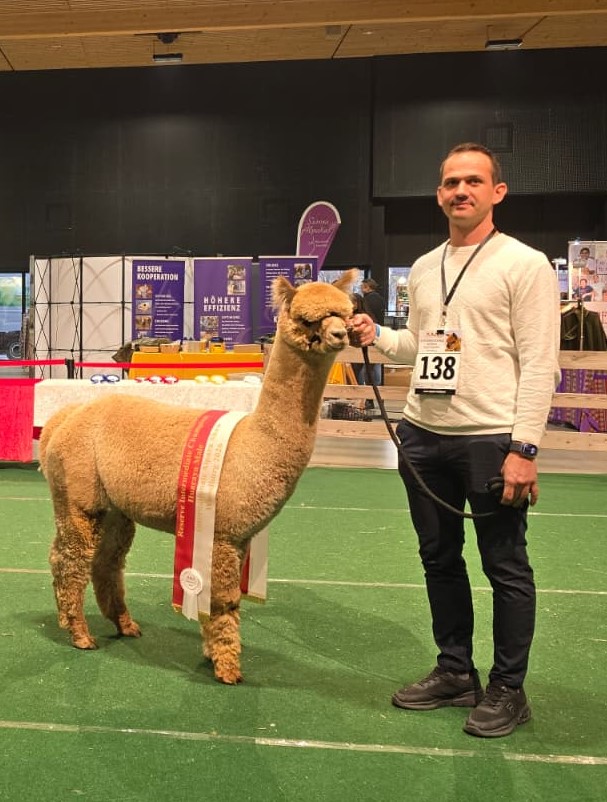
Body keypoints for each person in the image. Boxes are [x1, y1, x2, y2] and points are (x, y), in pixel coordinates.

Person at [349, 142, 560, 738]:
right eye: (449, 183)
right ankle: (455, 671)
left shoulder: (526, 264)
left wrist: (525, 449)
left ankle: (508, 689)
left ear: (497, 192)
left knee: (504, 565)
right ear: (439, 194)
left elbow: (540, 364)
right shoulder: (422, 267)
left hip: (491, 441)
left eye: (473, 181)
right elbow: (421, 345)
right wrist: (380, 336)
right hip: (422, 436)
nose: (459, 191)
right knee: (438, 559)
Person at [359, 278, 385, 386]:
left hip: (369, 330)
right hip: (380, 331)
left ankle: (367, 390)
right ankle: (377, 388)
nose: (361, 289)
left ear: (367, 287)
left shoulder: (366, 300)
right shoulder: (381, 299)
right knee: (377, 361)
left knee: (366, 363)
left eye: (362, 286)